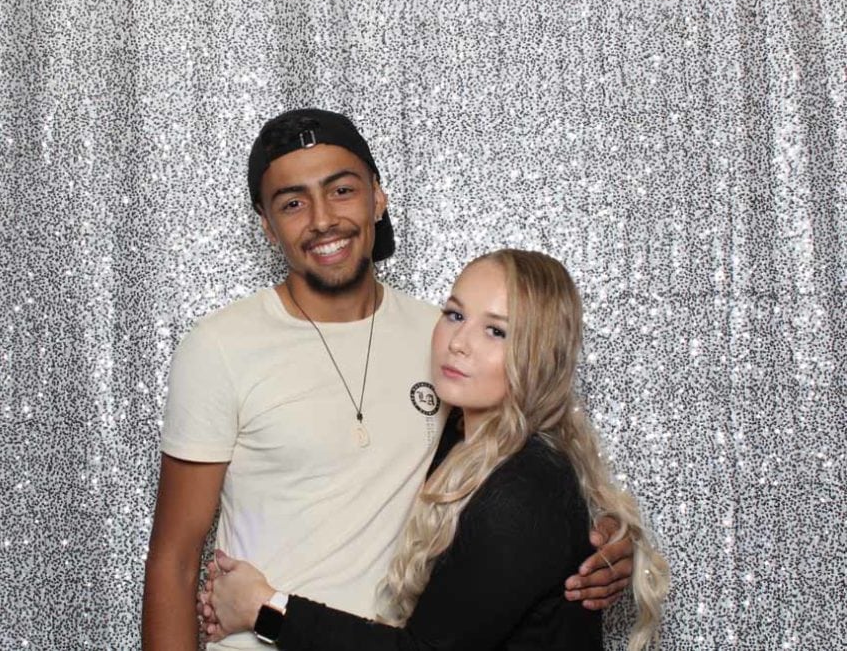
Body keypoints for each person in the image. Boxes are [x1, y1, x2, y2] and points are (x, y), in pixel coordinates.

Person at [141, 110, 635, 651]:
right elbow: (175, 559)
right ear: (267, 225)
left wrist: (593, 543)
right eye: (293, 203)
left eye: (342, 190)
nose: (323, 219)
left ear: (378, 197)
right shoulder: (219, 347)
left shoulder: (445, 340)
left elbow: (516, 460)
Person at [201, 249, 670, 650]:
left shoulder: (522, 491)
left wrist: (264, 609)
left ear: (541, 354)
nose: (459, 343)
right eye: (454, 315)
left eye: (497, 331)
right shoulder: (463, 443)